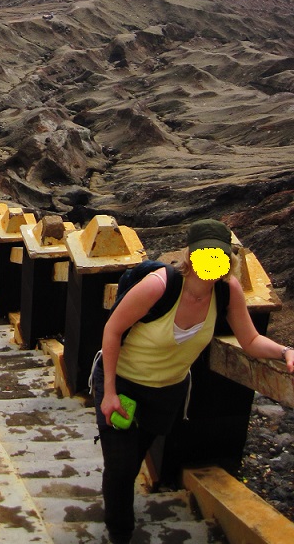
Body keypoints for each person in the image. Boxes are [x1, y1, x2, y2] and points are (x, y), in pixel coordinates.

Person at [90, 218, 294, 544]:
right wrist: (109, 392)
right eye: (205, 255)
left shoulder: (227, 291)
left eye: (219, 256)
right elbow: (112, 330)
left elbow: (251, 340)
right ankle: (120, 533)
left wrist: (286, 352)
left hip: (166, 392)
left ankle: (120, 502)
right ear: (190, 255)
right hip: (123, 382)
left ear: (228, 259)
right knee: (121, 465)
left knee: (135, 457)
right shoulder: (159, 286)